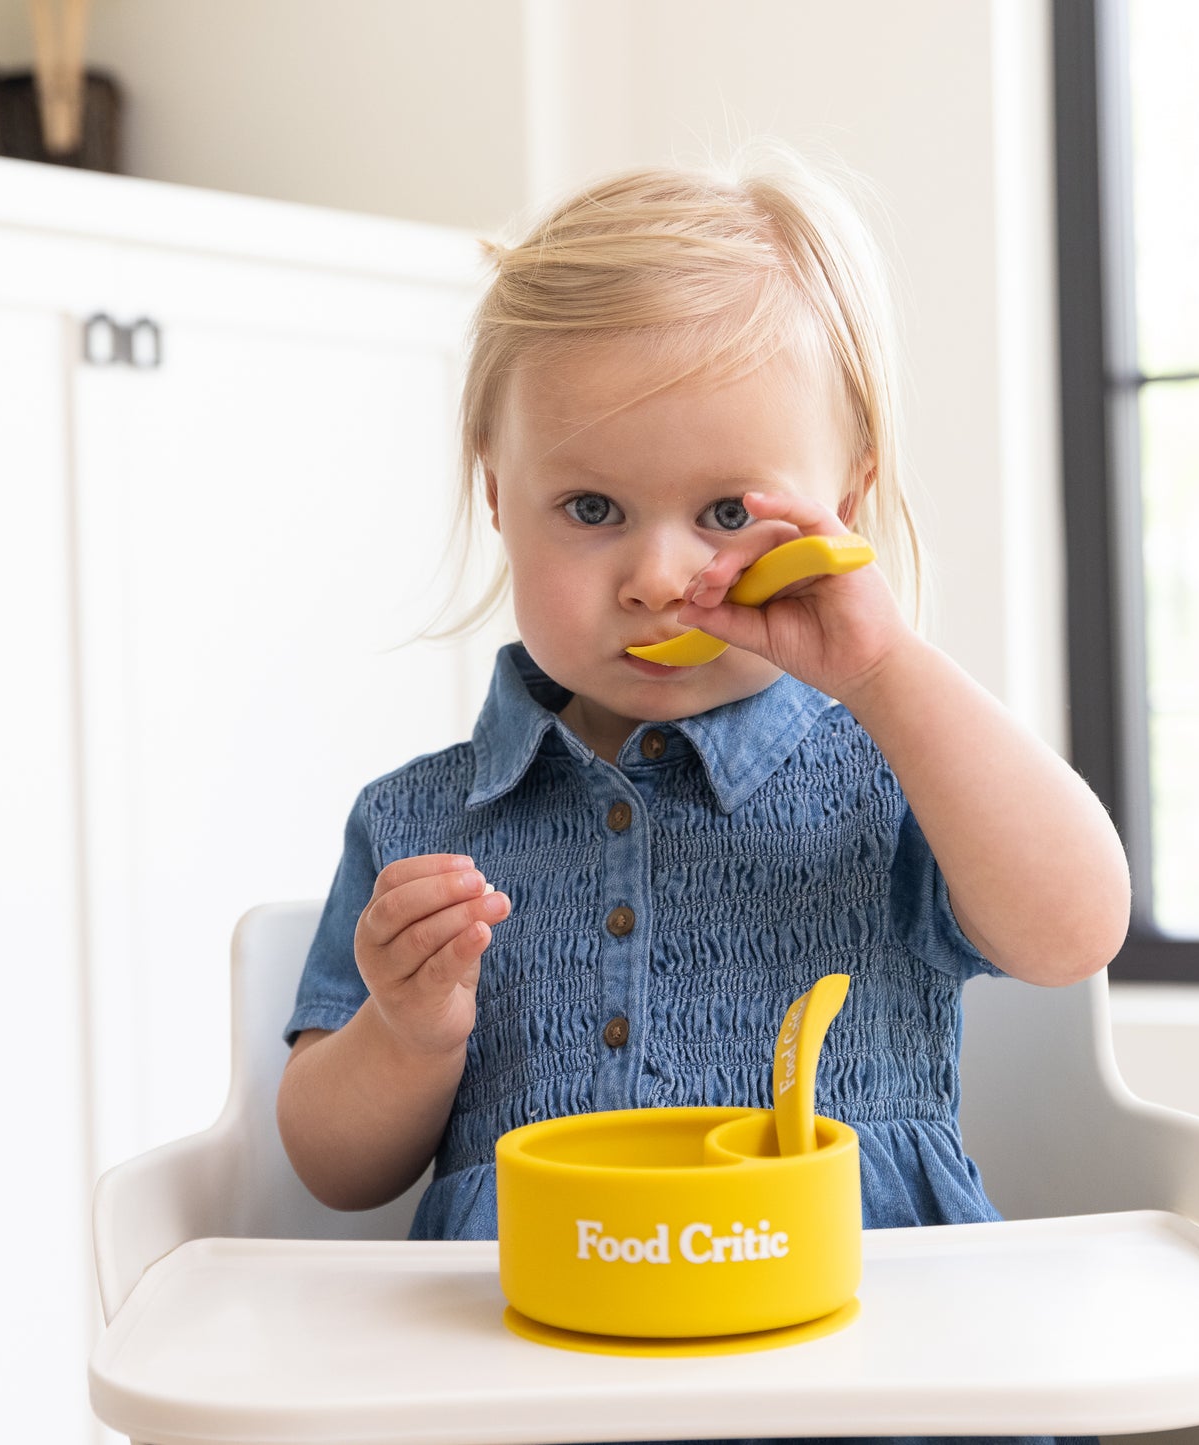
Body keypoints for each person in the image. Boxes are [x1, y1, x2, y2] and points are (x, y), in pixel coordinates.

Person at [276, 146, 1128, 1445]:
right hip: (526, 1393)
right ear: (498, 496)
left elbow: (1075, 930)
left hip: (874, 1386)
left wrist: (886, 673)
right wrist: (406, 1033)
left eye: (726, 511)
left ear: (843, 508)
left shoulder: (898, 772)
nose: (660, 574)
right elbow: (333, 1171)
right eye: (592, 507)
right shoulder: (419, 822)